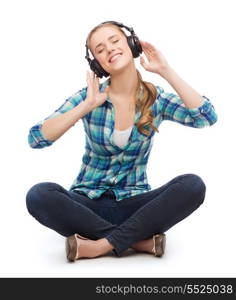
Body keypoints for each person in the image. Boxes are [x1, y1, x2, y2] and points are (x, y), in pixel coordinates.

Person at [26, 21, 218, 262]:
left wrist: (165, 70)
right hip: (87, 204)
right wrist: (85, 107)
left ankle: (98, 246)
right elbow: (36, 138)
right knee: (39, 195)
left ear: (131, 44)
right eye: (100, 48)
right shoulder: (90, 97)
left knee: (193, 186)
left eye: (115, 41)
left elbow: (206, 117)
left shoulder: (155, 99)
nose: (109, 49)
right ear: (97, 62)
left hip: (135, 206)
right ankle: (136, 241)